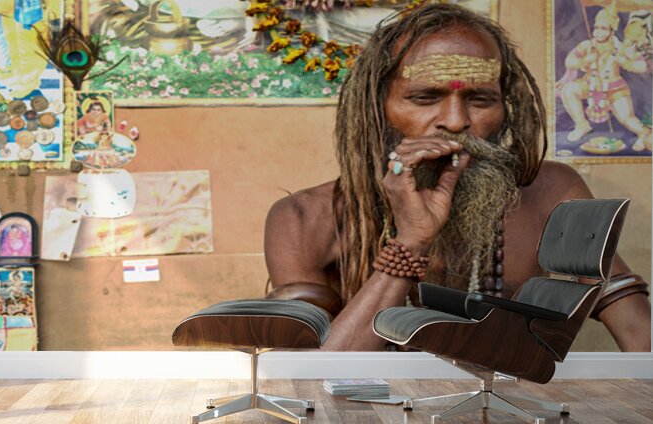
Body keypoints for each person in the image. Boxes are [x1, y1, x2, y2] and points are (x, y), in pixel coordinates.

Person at [264, 4, 651, 352]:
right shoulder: (302, 218)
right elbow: (310, 373)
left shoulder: (550, 191)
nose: (455, 121)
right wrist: (411, 242)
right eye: (424, 98)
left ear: (505, 107)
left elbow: (638, 333)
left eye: (480, 100)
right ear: (377, 107)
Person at [555, 4, 652, 149]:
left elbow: (642, 66)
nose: (598, 32)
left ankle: (644, 134)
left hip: (615, 88)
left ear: (612, 31)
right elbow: (569, 62)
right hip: (590, 84)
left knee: (627, 118)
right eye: (596, 28)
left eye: (603, 28)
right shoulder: (587, 45)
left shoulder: (620, 48)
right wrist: (584, 61)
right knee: (569, 90)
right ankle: (582, 125)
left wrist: (626, 63)